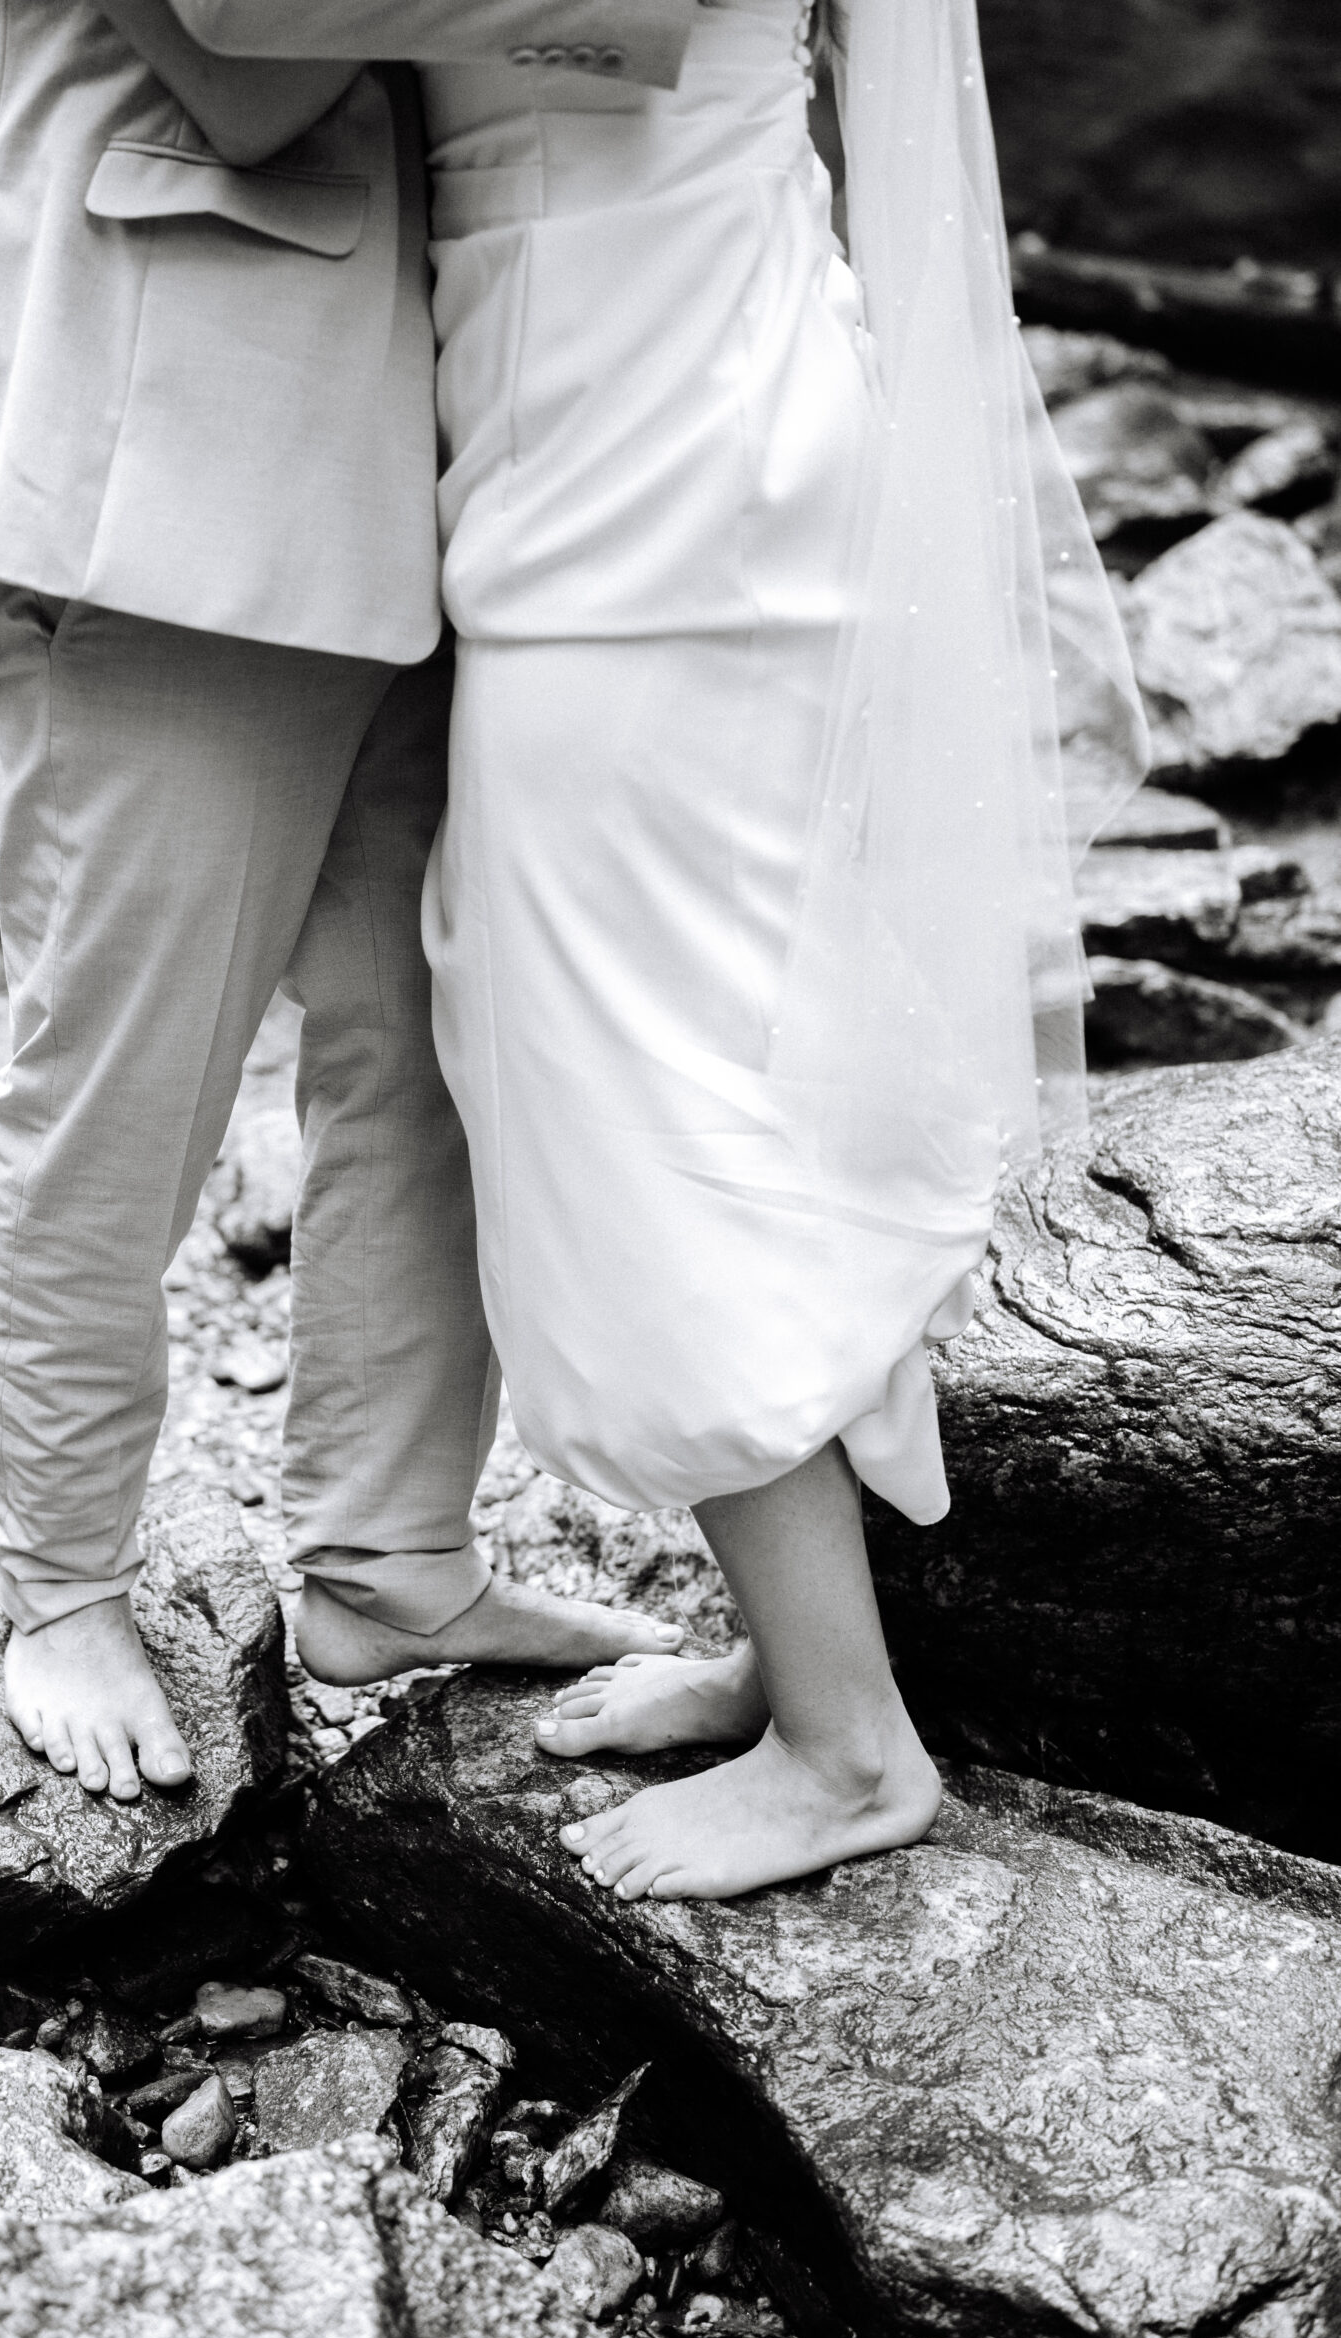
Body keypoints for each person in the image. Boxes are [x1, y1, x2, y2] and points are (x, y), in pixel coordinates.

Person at [173, 0, 1144, 1895]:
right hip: (620, 438)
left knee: (632, 1077)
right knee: (690, 1046)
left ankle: (855, 1752)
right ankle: (793, 1663)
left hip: (667, 488)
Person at [0, 0, 709, 1802]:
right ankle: (65, 1578)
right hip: (166, 455)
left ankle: (389, 1556)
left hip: (423, 449)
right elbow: (249, 73)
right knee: (127, 1075)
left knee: (432, 1054)